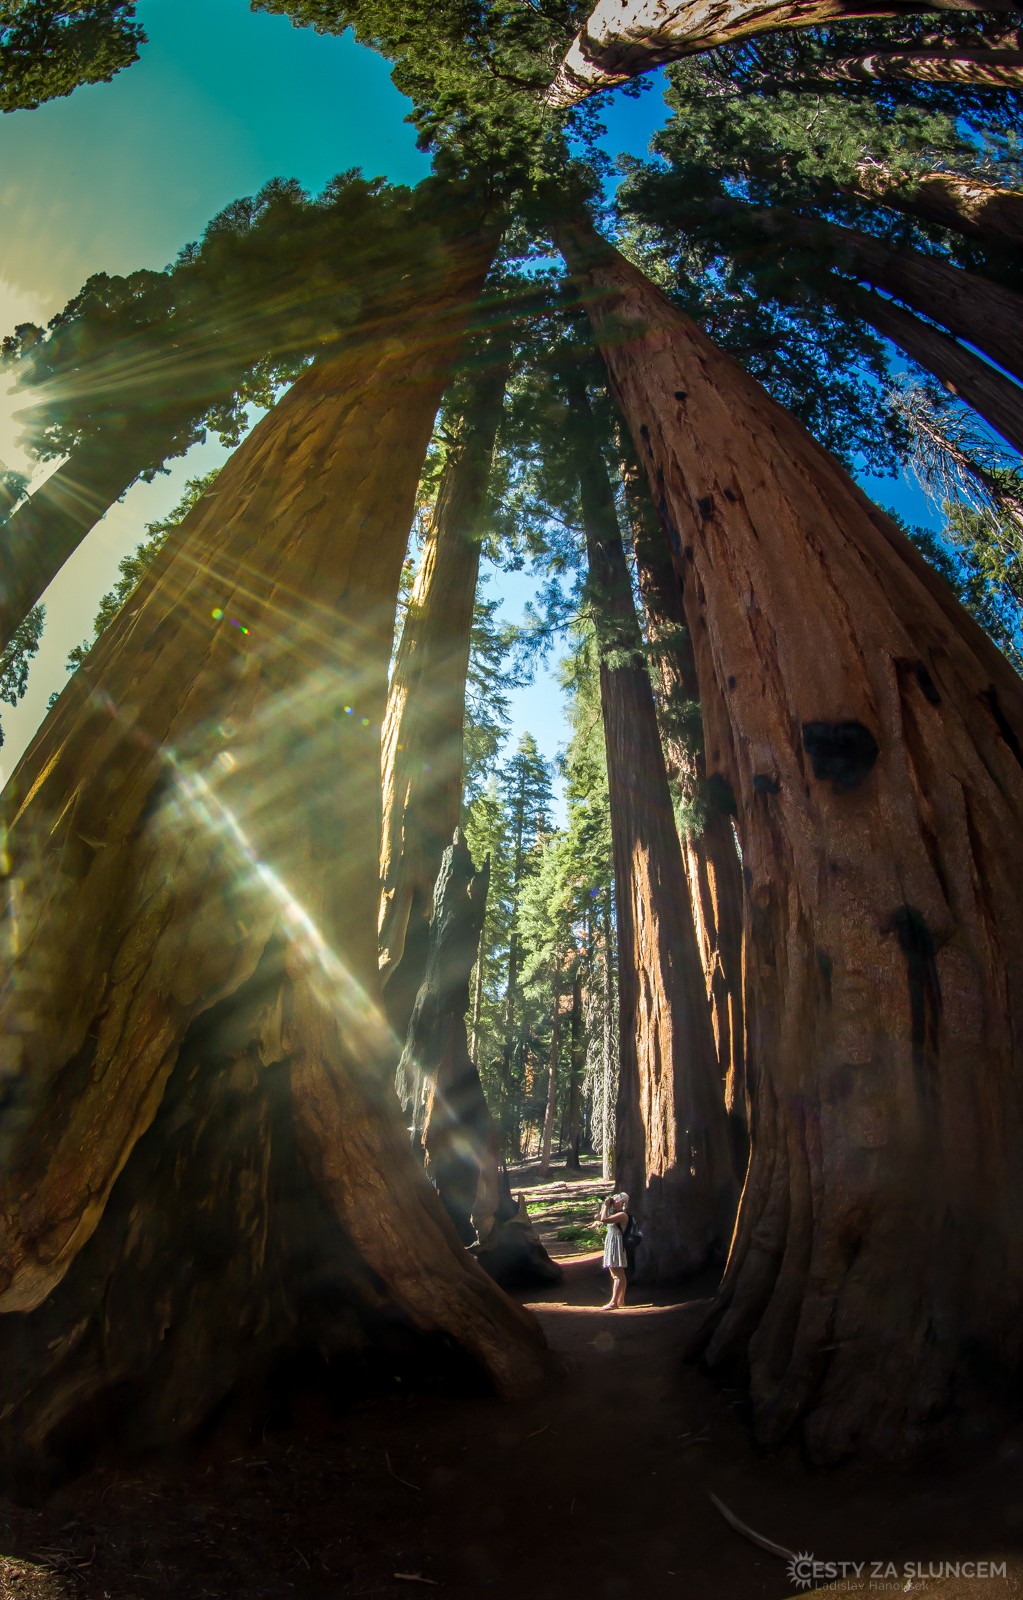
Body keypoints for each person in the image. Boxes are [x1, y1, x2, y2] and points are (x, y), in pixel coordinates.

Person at [598, 1191, 630, 1310]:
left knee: (616, 1274)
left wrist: (606, 1206)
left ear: (622, 1203)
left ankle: (613, 1302)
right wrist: (604, 1205)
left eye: (616, 1200)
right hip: (613, 1243)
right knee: (619, 1274)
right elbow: (599, 1217)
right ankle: (621, 1300)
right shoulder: (616, 1213)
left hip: (616, 1244)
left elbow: (603, 1220)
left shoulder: (622, 1215)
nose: (614, 1201)